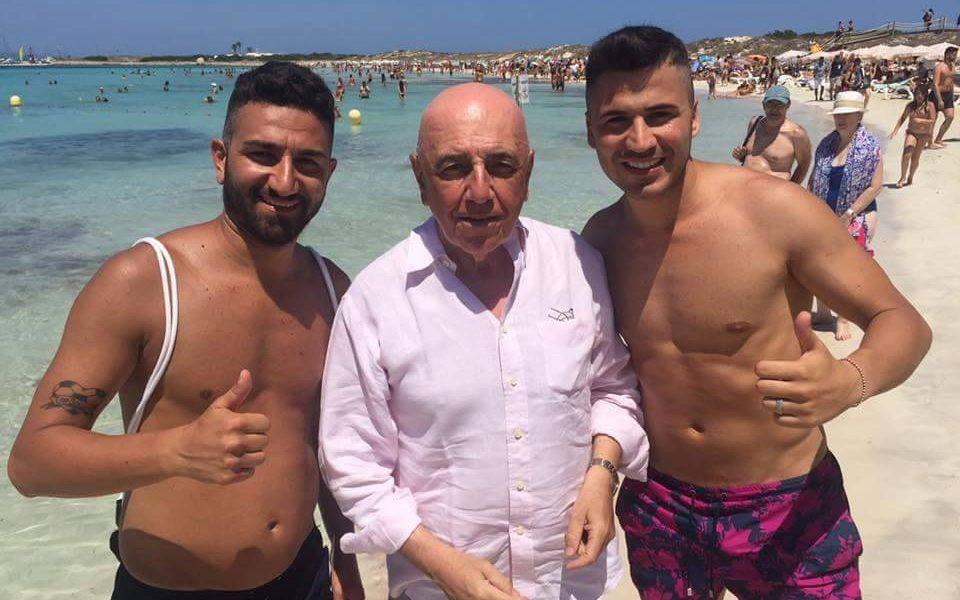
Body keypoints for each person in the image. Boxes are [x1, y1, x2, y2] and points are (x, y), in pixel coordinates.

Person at [581, 26, 931, 599]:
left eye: (661, 115)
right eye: (616, 121)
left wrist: (849, 382)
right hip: (660, 504)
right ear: (591, 130)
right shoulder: (599, 241)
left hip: (787, 506)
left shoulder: (776, 213)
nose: (640, 140)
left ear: (695, 117)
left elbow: (903, 321)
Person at [7, 61, 363, 600]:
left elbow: (330, 446)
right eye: (263, 154)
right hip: (168, 588)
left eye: (307, 162)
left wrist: (347, 560)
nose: (285, 181)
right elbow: (33, 463)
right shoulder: (144, 282)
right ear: (221, 159)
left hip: (305, 577)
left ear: (329, 174)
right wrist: (176, 452)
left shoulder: (333, 290)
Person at [319, 83, 649, 600]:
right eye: (453, 168)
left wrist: (602, 475)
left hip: (572, 581)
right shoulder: (375, 299)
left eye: (501, 166)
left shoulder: (576, 263)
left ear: (529, 173)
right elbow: (354, 466)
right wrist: (443, 566)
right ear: (419, 177)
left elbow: (612, 387)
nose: (479, 192)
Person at [808, 91, 885, 341]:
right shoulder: (826, 144)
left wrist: (850, 214)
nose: (840, 119)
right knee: (819, 265)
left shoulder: (869, 146)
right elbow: (814, 179)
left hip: (858, 214)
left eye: (847, 114)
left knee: (846, 270)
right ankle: (823, 313)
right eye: (838, 114)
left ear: (859, 116)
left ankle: (843, 319)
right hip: (825, 214)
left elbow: (875, 186)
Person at [732, 85, 812, 183]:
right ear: (763, 105)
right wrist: (740, 156)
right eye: (770, 104)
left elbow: (804, 165)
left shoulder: (796, 134)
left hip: (774, 190)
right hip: (744, 185)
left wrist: (791, 188)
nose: (774, 109)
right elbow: (750, 158)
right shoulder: (755, 123)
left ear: (788, 105)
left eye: (779, 105)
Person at [890, 83, 936, 187]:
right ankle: (902, 177)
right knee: (906, 153)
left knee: (915, 158)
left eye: (921, 94)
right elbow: (902, 118)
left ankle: (910, 176)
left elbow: (932, 120)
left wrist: (921, 121)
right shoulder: (910, 106)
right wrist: (895, 131)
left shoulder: (930, 106)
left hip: (924, 135)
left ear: (925, 95)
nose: (919, 96)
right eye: (917, 94)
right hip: (911, 132)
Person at [931, 45, 957, 149]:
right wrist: (939, 99)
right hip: (937, 95)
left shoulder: (952, 66)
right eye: (954, 55)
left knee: (950, 117)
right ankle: (929, 142)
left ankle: (938, 139)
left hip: (948, 95)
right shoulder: (939, 67)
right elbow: (935, 84)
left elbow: (951, 80)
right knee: (932, 120)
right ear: (947, 54)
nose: (955, 57)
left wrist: (952, 93)